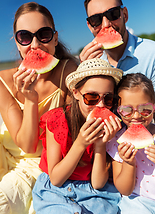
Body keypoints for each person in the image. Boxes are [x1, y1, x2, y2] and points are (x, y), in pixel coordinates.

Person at [0, 2, 78, 214]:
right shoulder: (0, 80)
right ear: (17, 42)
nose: (35, 45)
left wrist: (30, 99)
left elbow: (30, 147)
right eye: (25, 37)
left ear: (55, 38)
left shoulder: (67, 73)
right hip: (1, 152)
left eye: (44, 34)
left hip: (36, 164)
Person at [32, 58, 123, 214]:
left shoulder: (112, 125)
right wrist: (80, 143)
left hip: (93, 192)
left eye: (108, 99)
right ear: (76, 93)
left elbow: (98, 183)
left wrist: (100, 145)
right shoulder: (56, 120)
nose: (100, 105)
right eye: (92, 97)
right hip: (56, 190)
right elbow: (56, 179)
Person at [79, 0, 155, 90]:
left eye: (112, 14)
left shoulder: (152, 54)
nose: (106, 24)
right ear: (90, 26)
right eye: (95, 19)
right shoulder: (90, 62)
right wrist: (84, 75)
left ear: (125, 15)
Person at [106, 73, 155, 214]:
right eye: (127, 110)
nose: (136, 116)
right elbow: (125, 190)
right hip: (137, 202)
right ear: (118, 110)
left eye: (145, 109)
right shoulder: (116, 142)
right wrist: (128, 163)